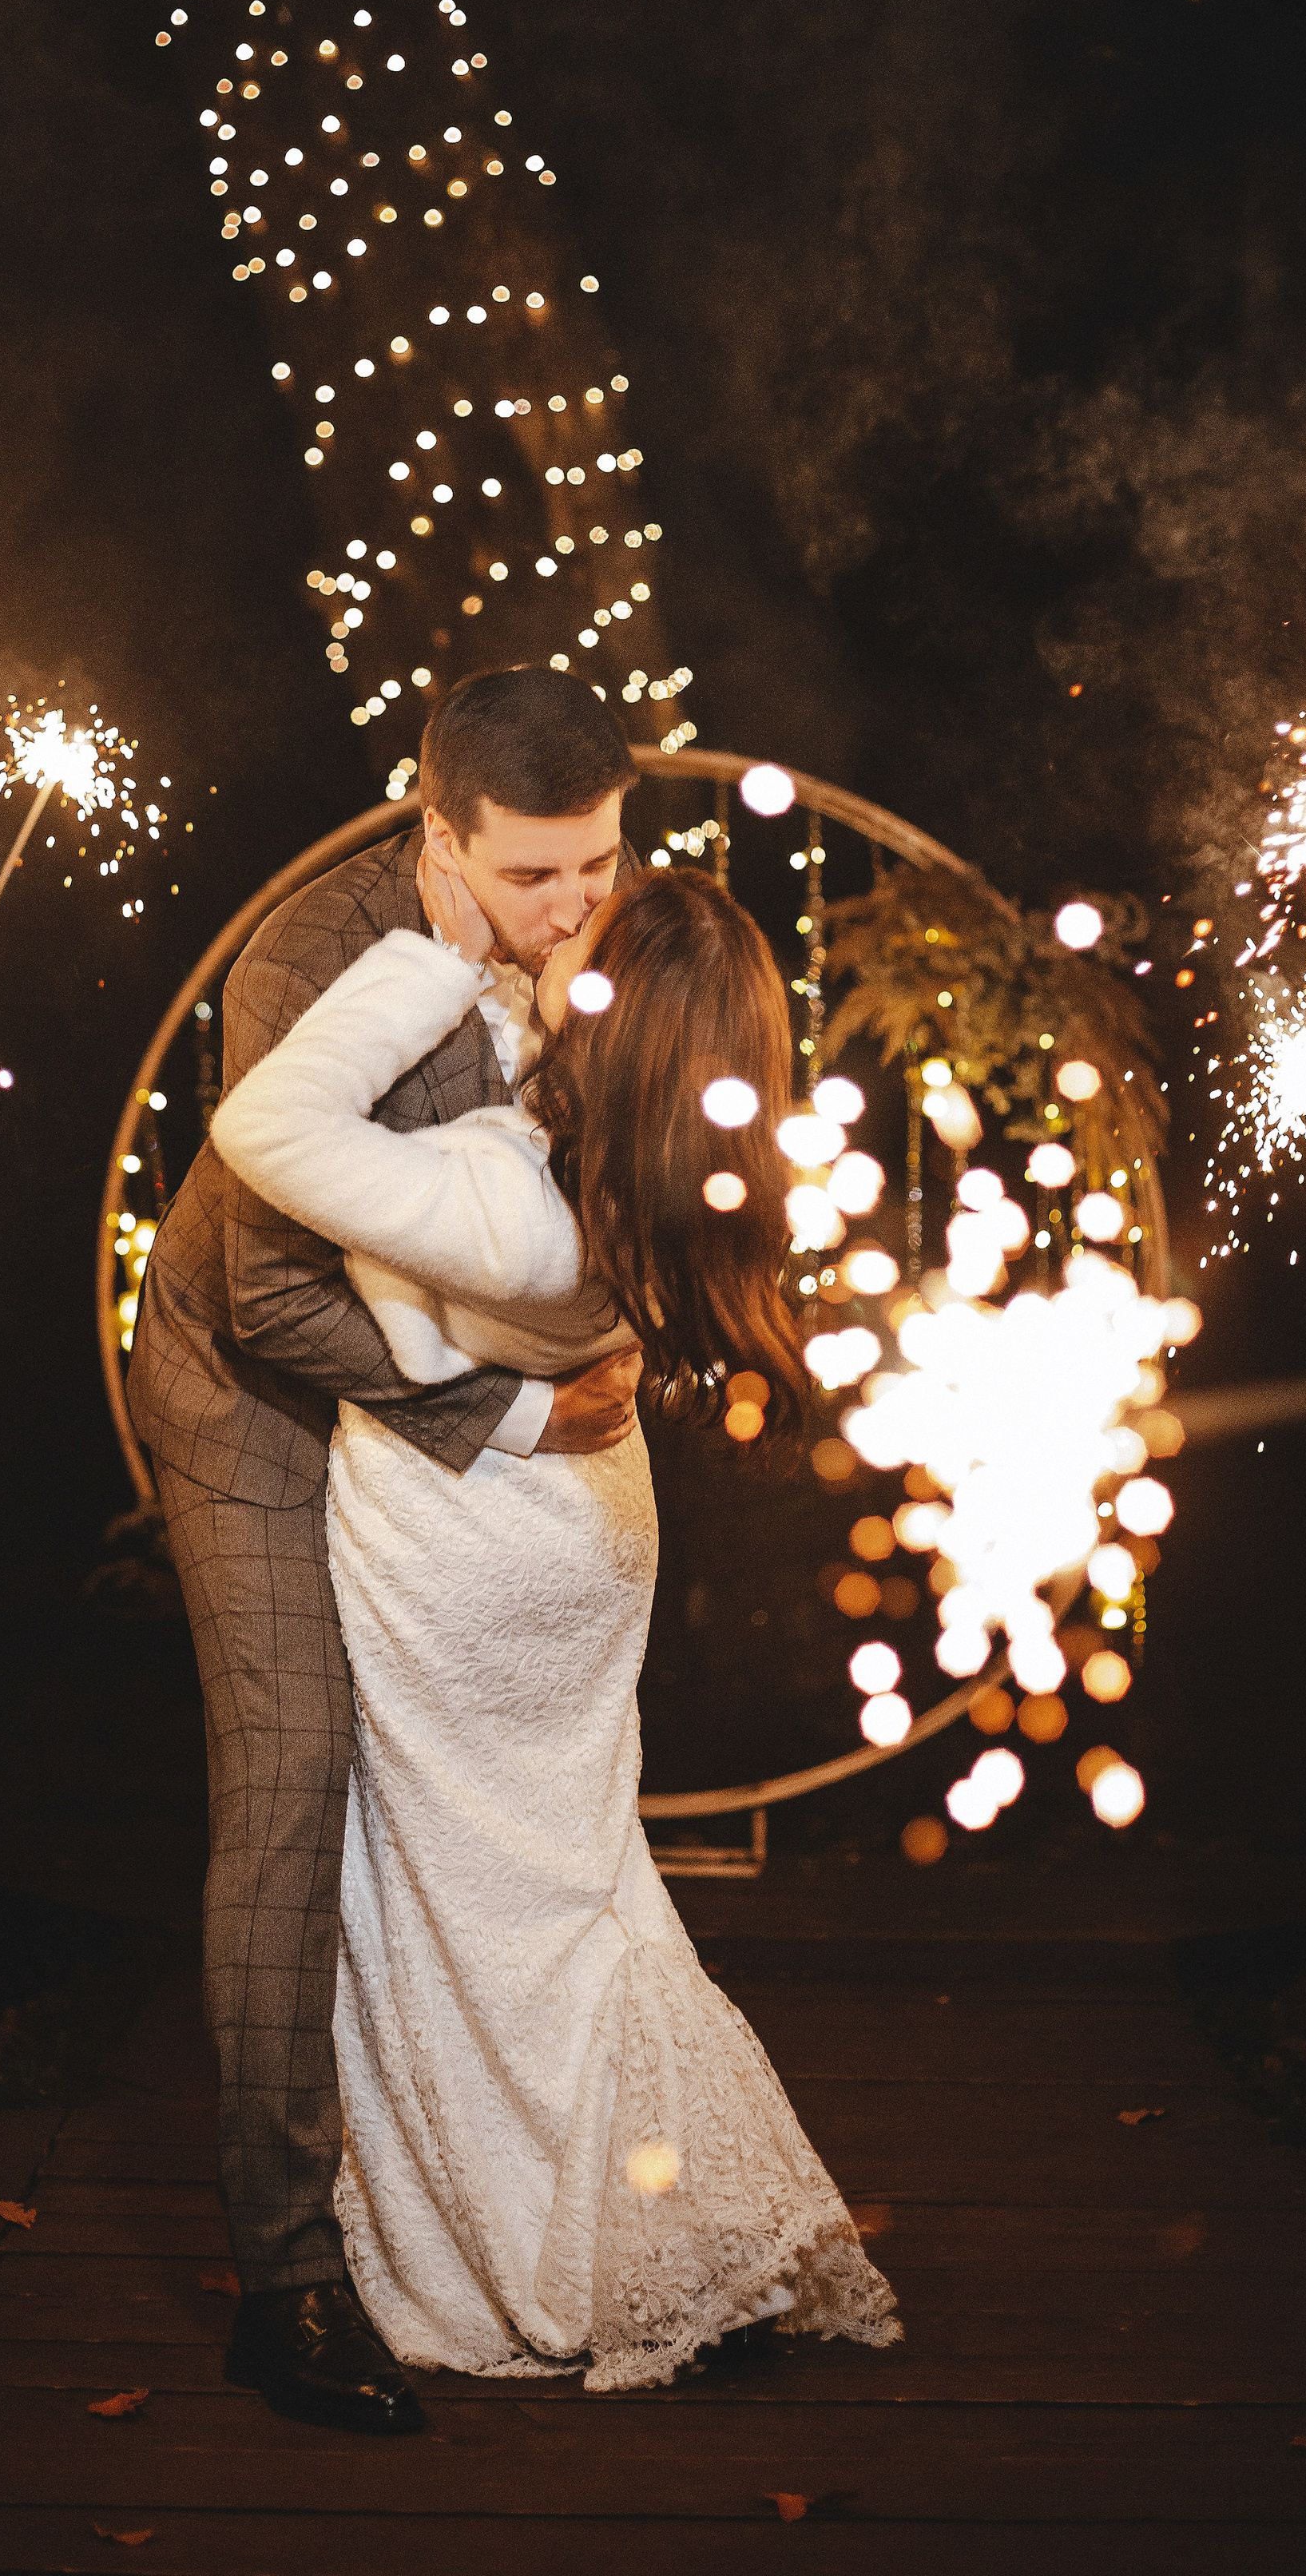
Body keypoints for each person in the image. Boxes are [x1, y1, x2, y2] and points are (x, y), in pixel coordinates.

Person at [210, 859, 899, 2391]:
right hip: (584, 1536)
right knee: (573, 1887)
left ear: (613, 1012)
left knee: (456, 1909)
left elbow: (264, 1126)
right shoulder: (667, 1177)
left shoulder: (511, 1204)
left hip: (461, 1540)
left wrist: (436, 954)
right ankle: (668, 2214)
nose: (558, 925)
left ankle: (534, 2254)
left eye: (587, 930)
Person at [126, 667, 647, 2431]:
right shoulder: (305, 959)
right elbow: (271, 1298)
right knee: (296, 1777)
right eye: (531, 876)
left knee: (463, 1789)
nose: (572, 908)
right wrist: (513, 1413)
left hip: (450, 1369)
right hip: (259, 1397)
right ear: (439, 835)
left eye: (599, 864)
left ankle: (483, 2210)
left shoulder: (602, 920)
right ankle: (287, 2283)